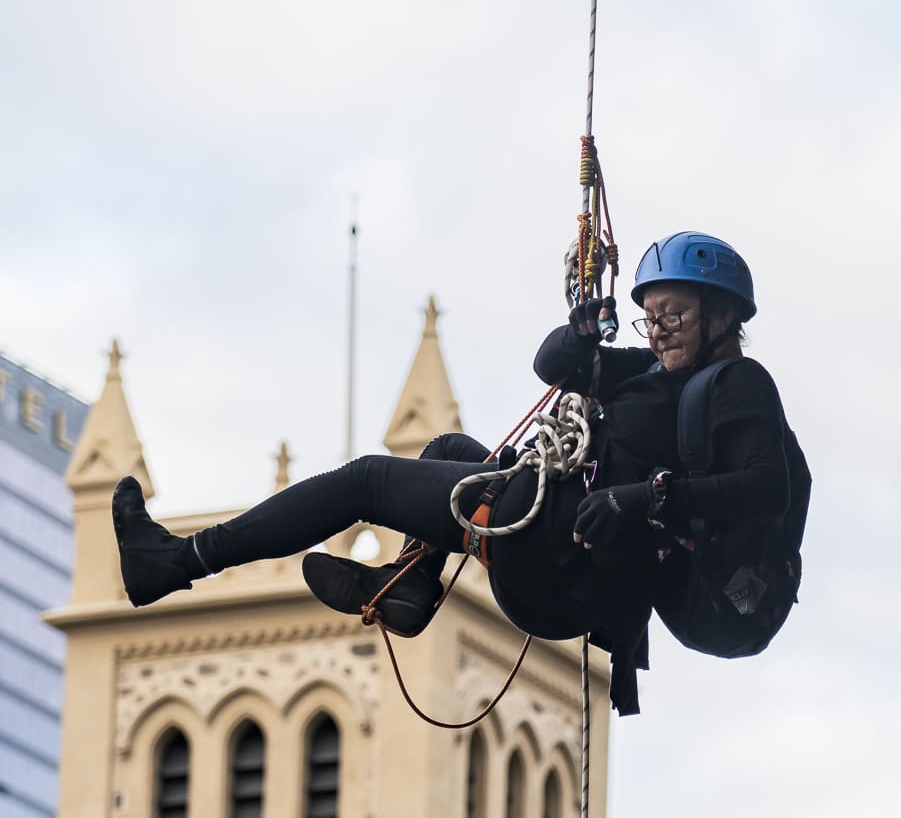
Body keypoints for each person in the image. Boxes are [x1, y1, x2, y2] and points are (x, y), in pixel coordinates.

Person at [110, 231, 807, 714]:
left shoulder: (738, 384)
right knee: (446, 445)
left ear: (720, 317)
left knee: (367, 482)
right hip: (555, 545)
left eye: (675, 313)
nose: (658, 329)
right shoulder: (649, 373)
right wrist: (583, 328)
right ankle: (410, 587)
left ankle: (175, 561)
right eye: (651, 315)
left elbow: (764, 485)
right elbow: (554, 366)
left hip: (567, 556)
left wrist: (644, 499)